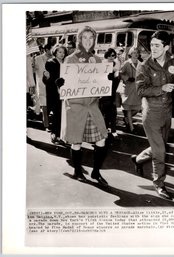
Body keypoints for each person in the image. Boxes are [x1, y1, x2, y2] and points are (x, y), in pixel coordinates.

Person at [131, 31, 174, 200]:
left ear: (166, 47)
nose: (152, 48)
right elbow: (140, 90)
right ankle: (159, 184)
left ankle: (138, 159)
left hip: (167, 112)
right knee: (160, 151)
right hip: (151, 112)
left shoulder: (173, 62)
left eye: (157, 45)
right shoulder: (144, 65)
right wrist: (162, 88)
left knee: (159, 146)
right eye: (151, 45)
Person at [61, 26, 108, 186]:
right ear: (79, 40)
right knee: (76, 142)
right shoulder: (70, 59)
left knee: (101, 140)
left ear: (94, 40)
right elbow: (65, 85)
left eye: (91, 38)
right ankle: (77, 171)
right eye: (84, 38)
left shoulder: (99, 60)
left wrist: (109, 78)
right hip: (76, 107)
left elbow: (102, 83)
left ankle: (95, 172)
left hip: (92, 106)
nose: (88, 41)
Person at [43, 44, 68, 144]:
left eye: (63, 52)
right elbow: (49, 79)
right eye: (59, 52)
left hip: (65, 91)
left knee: (62, 114)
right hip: (54, 92)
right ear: (55, 52)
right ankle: (54, 135)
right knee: (57, 114)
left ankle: (60, 135)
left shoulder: (66, 62)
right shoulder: (50, 62)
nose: (62, 54)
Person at [99, 48, 120, 140]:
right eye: (110, 55)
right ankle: (104, 130)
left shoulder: (116, 65)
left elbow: (117, 79)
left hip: (112, 91)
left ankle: (112, 130)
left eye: (113, 55)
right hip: (104, 92)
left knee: (112, 112)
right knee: (104, 111)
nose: (112, 57)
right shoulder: (103, 65)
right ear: (106, 55)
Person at [119, 47, 142, 134]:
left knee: (137, 108)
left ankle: (127, 119)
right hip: (128, 88)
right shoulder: (126, 63)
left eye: (137, 53)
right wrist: (127, 78)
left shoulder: (141, 63)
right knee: (128, 107)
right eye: (134, 53)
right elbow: (120, 73)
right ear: (130, 54)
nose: (136, 54)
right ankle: (131, 127)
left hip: (137, 89)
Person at [34, 44, 52, 131]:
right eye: (51, 49)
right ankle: (46, 125)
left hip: (52, 86)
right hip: (41, 85)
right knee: (44, 105)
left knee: (49, 105)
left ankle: (47, 121)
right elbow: (33, 70)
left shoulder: (55, 59)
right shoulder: (37, 59)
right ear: (47, 50)